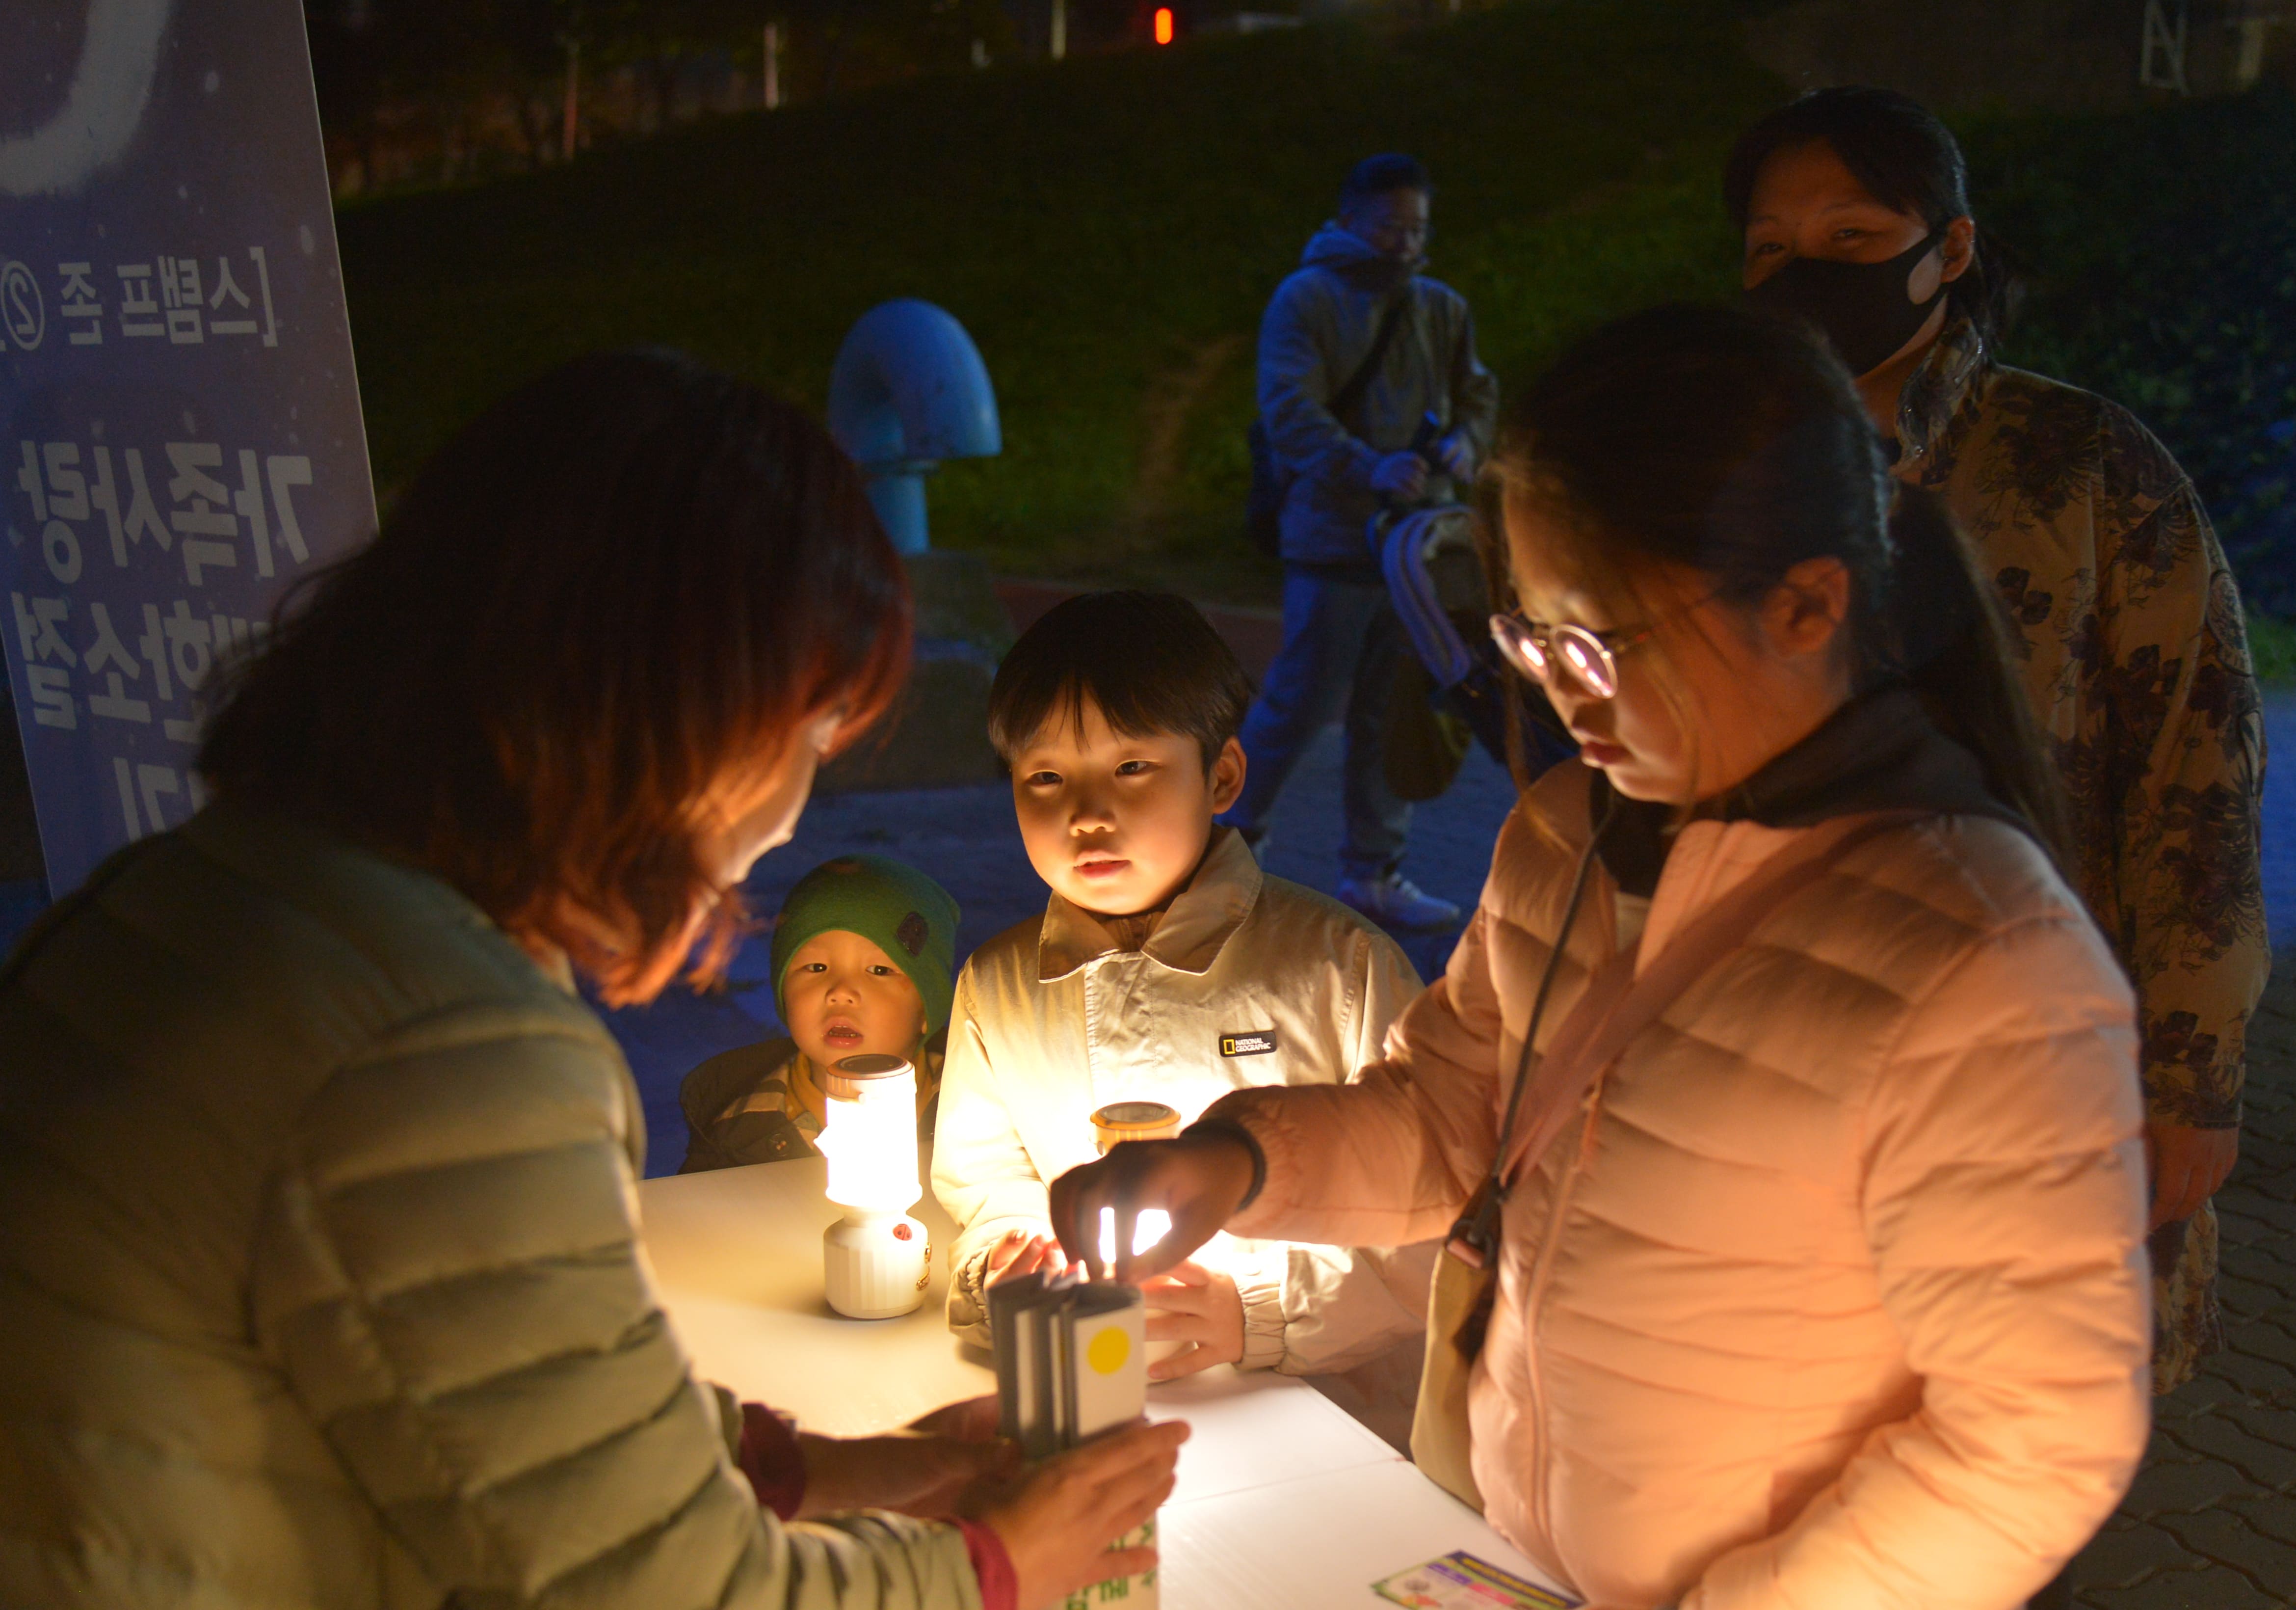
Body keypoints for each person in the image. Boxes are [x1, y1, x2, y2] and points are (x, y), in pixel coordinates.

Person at [0, 350, 1183, 1610]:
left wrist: (834, 1469)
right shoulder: (445, 1046)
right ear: (684, 709)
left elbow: (474, 1403)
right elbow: (654, 1588)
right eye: (810, 732)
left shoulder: (210, 888)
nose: (790, 811)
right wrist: (995, 1564)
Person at [1049, 307, 2155, 1609]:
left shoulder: (1983, 954)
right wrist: (1232, 1165)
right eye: (1528, 638)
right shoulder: (1569, 838)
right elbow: (1454, 1114)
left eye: (1599, 644)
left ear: (1808, 604)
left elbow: (2034, 1437)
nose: (1562, 697)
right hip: (1520, 1552)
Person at [1728, 86, 2267, 1395]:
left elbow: (2196, 783)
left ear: (1950, 251)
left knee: (2016, 1454)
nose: (1807, 276)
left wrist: (2190, 1084)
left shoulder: (2079, 470)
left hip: (2043, 1074)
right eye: (1769, 249)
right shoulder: (1722, 472)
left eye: (1855, 241)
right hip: (1779, 1071)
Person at [931, 591, 1433, 1439]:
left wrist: (1257, 1313)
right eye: (1045, 778)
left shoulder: (1335, 969)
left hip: (1321, 1413)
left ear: (1224, 776)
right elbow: (984, 1180)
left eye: (1131, 768)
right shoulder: (999, 983)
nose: (1086, 814)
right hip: (1088, 1395)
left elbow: (1425, 1214)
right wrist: (1005, 1262)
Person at [1223, 152, 1501, 932]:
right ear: (1349, 221)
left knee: (1394, 709)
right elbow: (1291, 412)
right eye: (1390, 227)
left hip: (1417, 548)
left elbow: (1478, 392)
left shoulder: (1441, 306)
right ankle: (1225, 856)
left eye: (1417, 229)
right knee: (1298, 702)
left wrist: (1466, 448)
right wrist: (1369, 467)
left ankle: (1374, 873)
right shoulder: (1306, 299)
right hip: (1334, 539)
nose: (1406, 243)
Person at [681, 853, 961, 1171]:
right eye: (817, 967)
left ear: (929, 1007)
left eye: (879, 970)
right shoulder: (736, 1126)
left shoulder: (977, 1110)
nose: (841, 993)